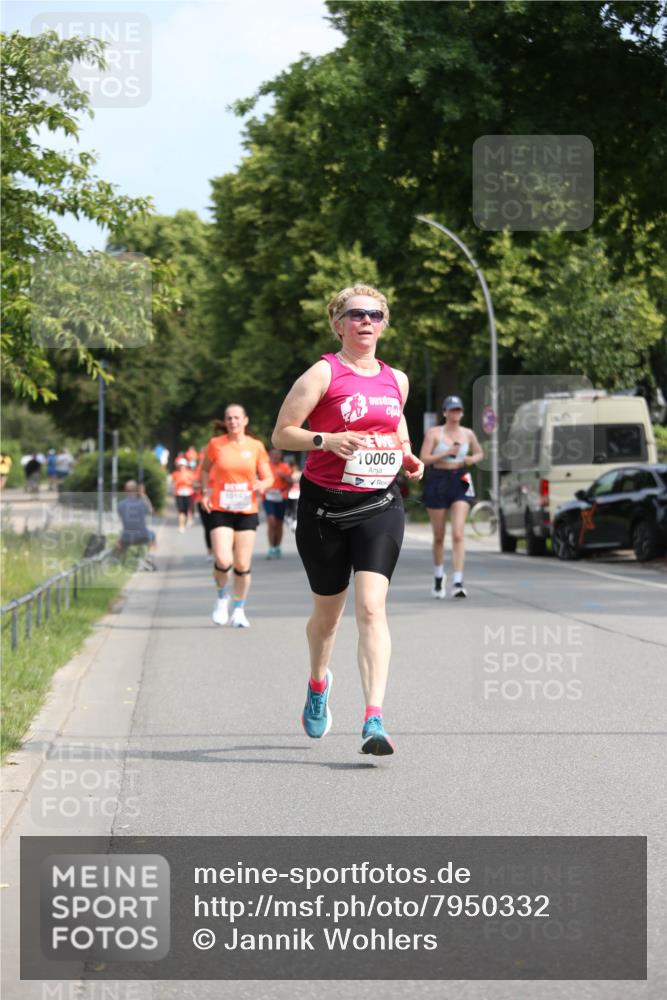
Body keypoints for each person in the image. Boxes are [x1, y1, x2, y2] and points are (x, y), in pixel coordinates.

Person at [272, 284, 423, 756]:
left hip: (379, 504)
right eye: (356, 314)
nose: (366, 322)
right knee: (328, 617)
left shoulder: (395, 379)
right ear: (338, 323)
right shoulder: (322, 373)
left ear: (384, 324)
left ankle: (373, 719)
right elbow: (282, 434)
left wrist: (407, 454)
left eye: (375, 315)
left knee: (372, 608)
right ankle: (318, 683)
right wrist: (325, 440)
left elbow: (396, 426)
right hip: (324, 510)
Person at [199, 405, 273, 629]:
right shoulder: (216, 444)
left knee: (242, 564)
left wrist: (262, 484)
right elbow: (204, 470)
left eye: (237, 418)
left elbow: (268, 477)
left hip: (246, 510)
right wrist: (205, 491)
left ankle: (239, 609)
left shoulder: (256, 446)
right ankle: (222, 599)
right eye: (229, 418)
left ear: (245, 420)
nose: (233, 421)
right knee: (223, 560)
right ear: (225, 421)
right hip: (221, 508)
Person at [419, 395, 484, 599]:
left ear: (462, 413)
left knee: (458, 534)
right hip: (438, 478)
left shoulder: (468, 433)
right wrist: (446, 452)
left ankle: (458, 581)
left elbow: (480, 453)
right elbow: (424, 458)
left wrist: (471, 458)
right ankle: (439, 577)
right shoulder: (435, 433)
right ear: (445, 412)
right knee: (439, 536)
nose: (455, 414)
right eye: (452, 410)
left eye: (458, 410)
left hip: (460, 478)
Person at [264, 447, 298, 558]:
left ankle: (277, 546)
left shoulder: (284, 466)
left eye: (278, 454)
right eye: (273, 454)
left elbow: (291, 482)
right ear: (270, 455)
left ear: (280, 455)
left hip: (281, 497)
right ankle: (271, 547)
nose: (275, 456)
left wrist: (284, 476)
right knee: (271, 521)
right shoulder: (265, 466)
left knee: (278, 524)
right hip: (268, 497)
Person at [114, 480, 156, 568]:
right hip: (142, 535)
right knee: (153, 536)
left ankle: (115, 560)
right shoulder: (142, 503)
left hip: (126, 537)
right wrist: (143, 494)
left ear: (125, 490)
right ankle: (150, 558)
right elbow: (151, 510)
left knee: (120, 540)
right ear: (137, 490)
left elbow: (121, 518)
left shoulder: (120, 504)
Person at [171, 457, 195, 533]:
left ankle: (189, 519)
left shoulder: (190, 473)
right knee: (181, 511)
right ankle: (181, 526)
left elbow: (193, 483)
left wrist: (188, 483)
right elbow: (173, 483)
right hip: (179, 494)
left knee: (189, 509)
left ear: (186, 465)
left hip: (189, 493)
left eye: (183, 465)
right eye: (180, 465)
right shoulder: (175, 474)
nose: (182, 467)